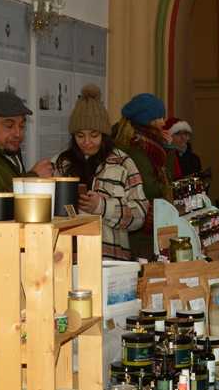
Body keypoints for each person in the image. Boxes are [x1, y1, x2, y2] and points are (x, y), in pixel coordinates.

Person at [53, 85, 148, 260]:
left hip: (110, 262)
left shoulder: (124, 164)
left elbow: (140, 215)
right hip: (66, 259)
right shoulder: (60, 164)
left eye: (94, 135)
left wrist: (102, 207)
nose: (87, 142)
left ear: (104, 135)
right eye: (80, 136)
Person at [113, 93, 179, 259]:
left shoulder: (149, 145)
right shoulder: (138, 149)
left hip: (144, 223)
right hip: (142, 228)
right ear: (149, 120)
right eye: (160, 117)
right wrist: (168, 152)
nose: (164, 123)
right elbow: (150, 189)